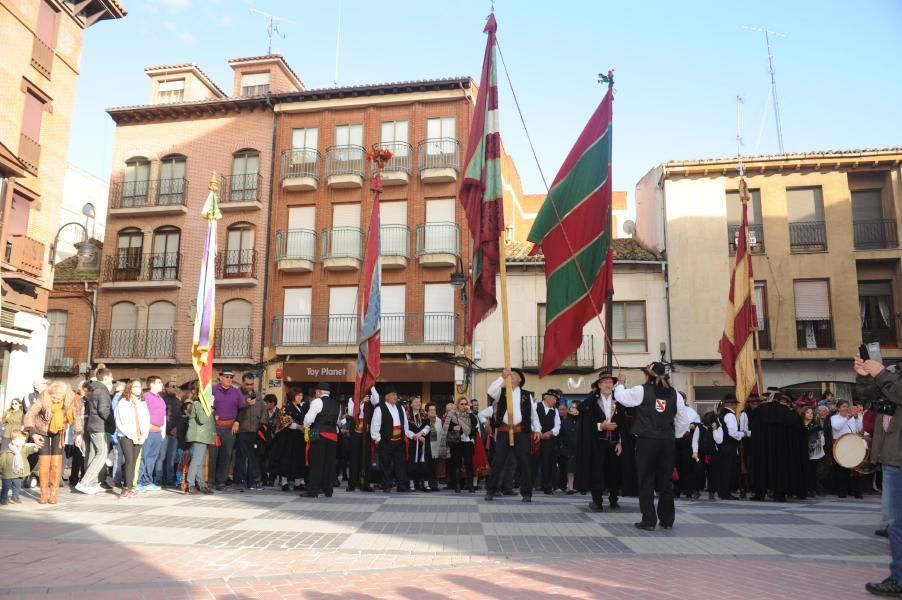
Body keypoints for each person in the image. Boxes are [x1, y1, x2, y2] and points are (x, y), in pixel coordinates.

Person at [612, 362, 689, 530]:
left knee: (646, 480)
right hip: (667, 442)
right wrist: (673, 435)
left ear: (648, 375)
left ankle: (649, 520)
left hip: (647, 441)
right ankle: (667, 520)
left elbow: (621, 398)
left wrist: (620, 383)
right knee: (666, 481)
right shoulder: (675, 394)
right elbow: (683, 420)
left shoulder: (642, 390)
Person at [855, 355, 902, 596]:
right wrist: (864, 376)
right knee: (895, 522)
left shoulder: (891, 373)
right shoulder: (895, 371)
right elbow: (871, 397)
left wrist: (881, 373)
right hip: (893, 456)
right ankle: (898, 577)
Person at [481, 368, 541, 503]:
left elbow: (533, 415)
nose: (511, 375)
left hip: (521, 432)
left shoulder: (526, 395)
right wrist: (502, 377)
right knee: (498, 462)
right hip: (503, 431)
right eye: (511, 374)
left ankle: (526, 493)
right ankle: (491, 490)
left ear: (520, 379)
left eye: (514, 374)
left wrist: (537, 429)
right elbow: (490, 391)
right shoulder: (501, 392)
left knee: (525, 463)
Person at [576, 372, 625, 511]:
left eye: (610, 382)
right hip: (597, 443)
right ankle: (597, 501)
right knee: (597, 472)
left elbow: (624, 423)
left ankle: (614, 500)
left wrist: (621, 442)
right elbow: (585, 423)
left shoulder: (619, 401)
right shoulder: (591, 401)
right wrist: (600, 426)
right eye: (605, 382)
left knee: (614, 473)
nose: (608, 385)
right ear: (599, 385)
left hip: (614, 443)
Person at [24, 381, 79, 504]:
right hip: (41, 430)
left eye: (58, 398)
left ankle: (53, 493)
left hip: (58, 431)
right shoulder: (44, 397)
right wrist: (33, 433)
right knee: (44, 463)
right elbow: (30, 413)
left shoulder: (69, 399)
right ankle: (44, 493)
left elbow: (77, 416)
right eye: (53, 397)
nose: (55, 400)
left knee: (56, 462)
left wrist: (78, 434)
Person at [749, 393, 807, 502]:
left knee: (762, 469)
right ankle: (779, 494)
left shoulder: (759, 411)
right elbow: (800, 432)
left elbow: (753, 429)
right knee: (781, 470)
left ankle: (760, 494)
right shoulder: (790, 414)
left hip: (763, 449)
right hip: (782, 450)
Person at [77, 368, 113, 495]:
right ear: (106, 377)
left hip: (92, 425)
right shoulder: (102, 390)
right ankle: (85, 483)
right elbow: (104, 410)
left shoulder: (93, 389)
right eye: (111, 376)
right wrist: (111, 423)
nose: (112, 379)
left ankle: (91, 483)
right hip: (101, 426)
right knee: (102, 454)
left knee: (93, 453)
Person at [370, 385, 412, 493]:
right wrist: (378, 440)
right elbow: (375, 426)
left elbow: (405, 425)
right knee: (386, 464)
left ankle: (401, 485)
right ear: (387, 397)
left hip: (399, 441)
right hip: (386, 441)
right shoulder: (380, 408)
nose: (395, 397)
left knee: (400, 464)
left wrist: (408, 435)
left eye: (396, 395)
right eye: (393, 395)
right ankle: (386, 485)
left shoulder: (400, 408)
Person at [303, 383, 340, 498]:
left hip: (318, 434)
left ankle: (313, 490)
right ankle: (328, 490)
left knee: (316, 463)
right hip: (333, 435)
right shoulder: (337, 404)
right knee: (329, 464)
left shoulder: (317, 401)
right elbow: (337, 421)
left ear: (319, 391)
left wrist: (306, 427)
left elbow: (308, 419)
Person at [114, 379, 150, 500]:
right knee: (129, 460)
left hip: (140, 436)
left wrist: (143, 435)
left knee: (134, 462)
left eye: (139, 386)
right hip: (126, 435)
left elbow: (146, 419)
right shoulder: (123, 402)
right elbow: (120, 422)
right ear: (129, 388)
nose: (138, 389)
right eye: (135, 386)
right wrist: (131, 435)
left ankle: (130, 487)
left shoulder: (142, 402)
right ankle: (126, 488)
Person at [209, 370, 245, 491]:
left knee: (226, 456)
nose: (229, 379)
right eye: (226, 377)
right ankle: (210, 481)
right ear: (220, 377)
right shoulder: (212, 390)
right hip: (214, 427)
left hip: (230, 428)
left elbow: (242, 409)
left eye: (231, 377)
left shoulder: (236, 392)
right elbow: (207, 407)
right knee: (213, 456)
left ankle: (221, 482)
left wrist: (237, 422)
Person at [137, 376, 166, 493]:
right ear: (151, 384)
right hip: (148, 430)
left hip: (157, 431)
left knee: (152, 458)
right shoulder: (146, 396)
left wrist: (162, 432)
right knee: (143, 457)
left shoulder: (161, 398)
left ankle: (147, 481)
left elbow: (163, 416)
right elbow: (141, 413)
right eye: (159, 382)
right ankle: (138, 481)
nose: (161, 384)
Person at [831, 399, 864, 499]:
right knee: (842, 469)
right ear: (838, 408)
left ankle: (857, 492)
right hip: (840, 444)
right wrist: (847, 418)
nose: (846, 408)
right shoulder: (834, 417)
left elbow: (858, 428)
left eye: (847, 406)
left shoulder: (852, 418)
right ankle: (842, 491)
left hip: (852, 443)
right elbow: (836, 427)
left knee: (855, 468)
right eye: (843, 406)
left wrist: (857, 418)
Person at [185, 385, 214, 495]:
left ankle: (201, 484)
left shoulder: (204, 406)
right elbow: (202, 419)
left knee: (200, 463)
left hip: (204, 437)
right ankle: (190, 484)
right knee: (196, 461)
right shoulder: (197, 404)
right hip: (199, 437)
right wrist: (210, 407)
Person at [235, 384, 265, 491]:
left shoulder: (258, 395)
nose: (249, 386)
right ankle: (241, 480)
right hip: (242, 430)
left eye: (251, 384)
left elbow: (263, 410)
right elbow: (236, 409)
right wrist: (246, 403)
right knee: (241, 457)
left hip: (255, 430)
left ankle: (252, 481)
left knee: (253, 457)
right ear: (243, 382)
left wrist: (262, 424)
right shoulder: (238, 394)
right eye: (247, 384)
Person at [445, 396, 476, 493]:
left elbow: (475, 423)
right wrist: (453, 428)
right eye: (461, 404)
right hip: (457, 441)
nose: (463, 406)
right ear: (458, 405)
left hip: (468, 441)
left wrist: (470, 411)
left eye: (465, 404)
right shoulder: (452, 414)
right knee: (457, 464)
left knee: (469, 464)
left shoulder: (469, 414)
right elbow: (446, 427)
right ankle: (457, 485)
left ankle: (470, 485)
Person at [0, 430, 40, 505]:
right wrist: (1, 468)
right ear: (14, 441)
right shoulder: (7, 451)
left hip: (18, 472)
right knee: (6, 487)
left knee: (17, 486)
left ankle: (15, 497)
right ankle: (3, 498)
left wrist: (35, 449)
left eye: (24, 440)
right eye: (21, 440)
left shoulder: (24, 449)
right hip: (8, 473)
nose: (23, 442)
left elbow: (30, 450)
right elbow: (1, 460)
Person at [716, 395, 744, 500]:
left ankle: (722, 491)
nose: (736, 406)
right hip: (729, 446)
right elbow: (733, 432)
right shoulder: (730, 415)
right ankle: (726, 493)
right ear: (731, 404)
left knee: (723, 469)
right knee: (728, 470)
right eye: (735, 404)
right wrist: (743, 434)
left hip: (722, 445)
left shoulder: (721, 414)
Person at [534, 389, 561, 495]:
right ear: (547, 398)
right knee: (533, 462)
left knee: (548, 463)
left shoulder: (555, 410)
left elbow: (558, 425)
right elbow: (531, 420)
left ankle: (547, 487)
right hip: (536, 438)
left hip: (549, 440)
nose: (555, 401)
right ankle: (530, 485)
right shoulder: (536, 406)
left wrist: (550, 433)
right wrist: (538, 432)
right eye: (554, 398)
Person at [693, 411, 722, 500]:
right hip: (700, 455)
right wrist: (695, 452)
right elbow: (695, 440)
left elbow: (719, 441)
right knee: (697, 472)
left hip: (713, 454)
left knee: (712, 474)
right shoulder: (699, 427)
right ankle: (696, 491)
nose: (706, 426)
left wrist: (714, 429)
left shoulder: (718, 428)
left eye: (708, 425)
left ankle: (711, 493)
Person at [159, 381, 182, 488]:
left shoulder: (178, 401)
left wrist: (176, 429)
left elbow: (179, 417)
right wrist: (168, 429)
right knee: (161, 456)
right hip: (164, 432)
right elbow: (162, 416)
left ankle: (169, 479)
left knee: (171, 457)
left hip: (174, 433)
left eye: (175, 386)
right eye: (172, 386)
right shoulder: (162, 399)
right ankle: (158, 478)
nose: (175, 388)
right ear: (166, 388)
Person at [406, 396, 432, 492]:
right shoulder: (407, 416)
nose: (418, 404)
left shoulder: (424, 414)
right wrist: (414, 436)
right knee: (412, 462)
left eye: (419, 402)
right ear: (411, 404)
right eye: (416, 402)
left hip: (423, 442)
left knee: (425, 462)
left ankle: (425, 483)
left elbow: (428, 426)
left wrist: (421, 434)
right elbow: (406, 429)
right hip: (412, 442)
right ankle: (412, 483)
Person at [801, 406, 824, 498]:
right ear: (803, 414)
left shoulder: (816, 424)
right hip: (803, 450)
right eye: (808, 412)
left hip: (814, 450)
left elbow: (821, 436)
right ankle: (804, 488)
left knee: (812, 470)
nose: (810, 414)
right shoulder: (800, 424)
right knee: (804, 470)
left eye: (811, 413)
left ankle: (812, 489)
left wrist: (817, 443)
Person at [558, 401, 580, 495]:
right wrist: (562, 447)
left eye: (575, 408)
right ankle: (570, 487)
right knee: (569, 469)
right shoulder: (564, 422)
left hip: (579, 449)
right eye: (572, 408)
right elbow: (560, 436)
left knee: (579, 468)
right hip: (568, 449)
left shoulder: (582, 421)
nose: (573, 410)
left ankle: (579, 486)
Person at [260, 394, 280, 487]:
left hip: (276, 439)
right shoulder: (263, 411)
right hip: (264, 438)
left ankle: (272, 478)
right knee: (263, 458)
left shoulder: (280, 412)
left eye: (267, 403)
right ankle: (264, 478)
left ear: (272, 403)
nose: (265, 405)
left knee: (274, 459)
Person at [426, 402, 444, 492]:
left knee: (435, 467)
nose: (433, 412)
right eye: (431, 410)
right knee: (427, 466)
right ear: (427, 412)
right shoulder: (425, 420)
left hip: (436, 447)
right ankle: (427, 484)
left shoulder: (439, 420)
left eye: (434, 410)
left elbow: (440, 434)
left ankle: (434, 484)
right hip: (427, 447)